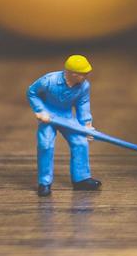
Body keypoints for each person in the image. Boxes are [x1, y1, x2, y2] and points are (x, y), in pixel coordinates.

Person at [26, 54, 100, 196]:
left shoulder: (84, 86)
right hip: (48, 118)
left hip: (66, 118)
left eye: (86, 74)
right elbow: (32, 92)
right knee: (46, 145)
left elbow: (83, 104)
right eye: (83, 74)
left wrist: (87, 126)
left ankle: (81, 179)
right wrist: (40, 110)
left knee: (80, 142)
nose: (85, 77)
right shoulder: (49, 80)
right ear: (71, 73)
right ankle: (44, 183)